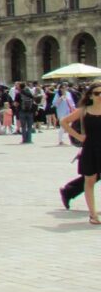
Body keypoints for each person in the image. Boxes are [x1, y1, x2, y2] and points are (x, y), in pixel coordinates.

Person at [60, 82, 101, 224]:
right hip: (90, 149)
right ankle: (93, 215)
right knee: (89, 181)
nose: (100, 96)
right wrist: (79, 137)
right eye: (97, 93)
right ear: (90, 95)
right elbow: (64, 121)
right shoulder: (84, 110)